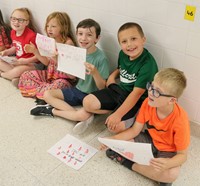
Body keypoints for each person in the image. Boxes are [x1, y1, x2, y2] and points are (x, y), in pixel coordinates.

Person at [100, 68, 190, 186]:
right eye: (151, 86)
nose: (151, 92)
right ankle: (155, 175)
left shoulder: (180, 120)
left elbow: (182, 155)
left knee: (172, 174)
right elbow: (134, 131)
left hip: (168, 151)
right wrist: (113, 140)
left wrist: (168, 164)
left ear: (172, 100)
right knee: (118, 144)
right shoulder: (148, 103)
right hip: (150, 140)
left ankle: (128, 163)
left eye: (157, 92)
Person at [30, 18, 110, 133]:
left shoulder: (101, 58)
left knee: (83, 115)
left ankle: (52, 111)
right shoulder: (76, 52)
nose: (83, 38)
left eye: (89, 35)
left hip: (91, 97)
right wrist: (58, 60)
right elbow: (72, 77)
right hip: (77, 90)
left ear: (97, 38)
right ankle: (76, 115)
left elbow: (102, 87)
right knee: (47, 94)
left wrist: (95, 73)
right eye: (80, 34)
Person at [82, 22, 158, 133]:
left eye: (133, 39)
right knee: (87, 102)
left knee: (114, 128)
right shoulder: (123, 54)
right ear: (120, 44)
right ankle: (117, 109)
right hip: (120, 91)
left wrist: (118, 115)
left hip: (137, 100)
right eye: (124, 41)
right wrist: (112, 76)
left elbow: (137, 93)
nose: (129, 45)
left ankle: (136, 115)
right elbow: (120, 68)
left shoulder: (148, 64)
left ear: (143, 40)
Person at [18, 12, 77, 101]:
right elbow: (46, 62)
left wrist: (56, 59)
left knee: (59, 85)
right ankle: (43, 91)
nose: (49, 29)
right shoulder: (49, 41)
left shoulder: (68, 43)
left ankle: (39, 91)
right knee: (26, 75)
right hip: (50, 76)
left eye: (53, 26)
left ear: (63, 27)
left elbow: (70, 72)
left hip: (64, 79)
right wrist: (34, 51)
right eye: (47, 26)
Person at [0, 8, 38, 86]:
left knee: (18, 70)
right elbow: (15, 47)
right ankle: (18, 78)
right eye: (14, 19)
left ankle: (3, 74)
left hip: (32, 63)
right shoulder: (13, 32)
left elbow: (38, 56)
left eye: (20, 20)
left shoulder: (31, 36)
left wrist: (25, 61)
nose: (16, 22)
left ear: (26, 22)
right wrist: (6, 52)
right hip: (18, 61)